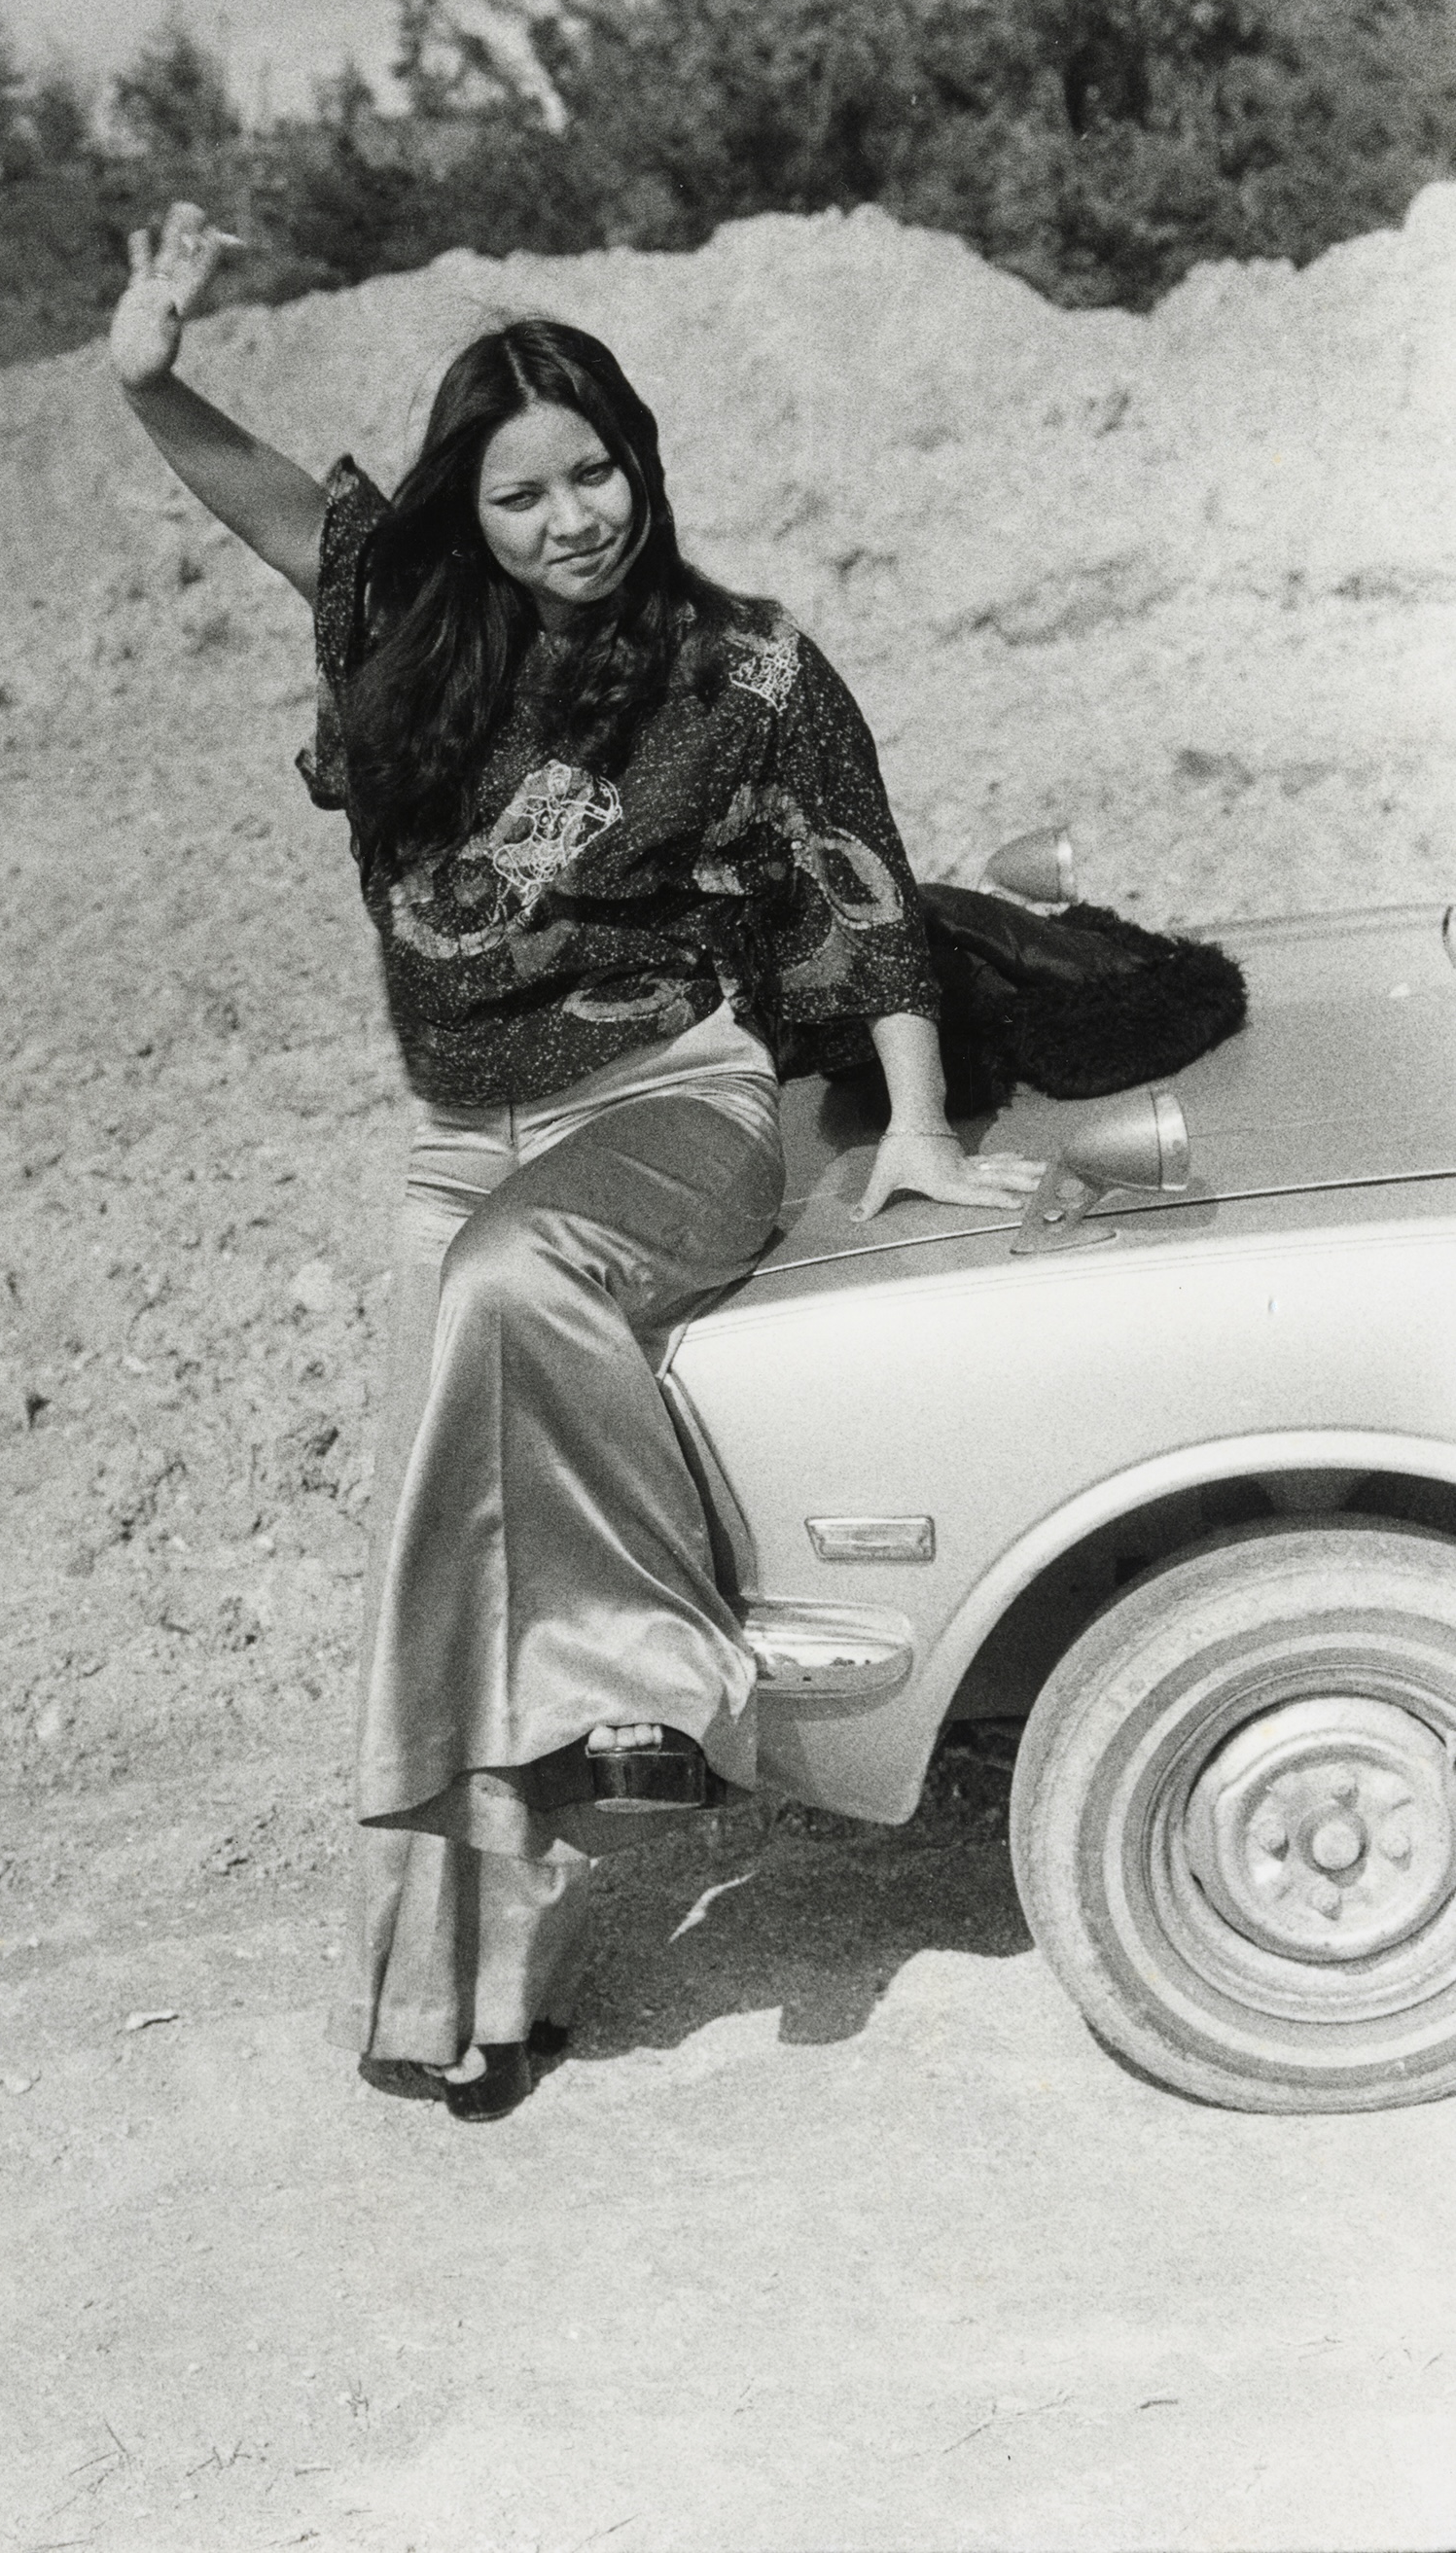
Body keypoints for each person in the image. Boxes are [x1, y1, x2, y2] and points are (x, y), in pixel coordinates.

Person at [111, 202, 1042, 2121]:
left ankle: (657, 1679)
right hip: (461, 1141)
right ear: (475, 504)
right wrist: (148, 375)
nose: (570, 518)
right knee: (432, 1563)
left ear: (643, 461)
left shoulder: (743, 668)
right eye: (523, 490)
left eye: (595, 471)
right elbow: (265, 498)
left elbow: (861, 893)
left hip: (665, 1108)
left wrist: (923, 1128)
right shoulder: (409, 629)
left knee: (511, 1284)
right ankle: (465, 1992)